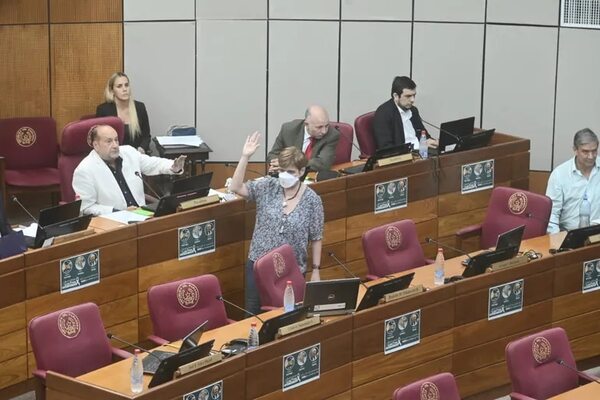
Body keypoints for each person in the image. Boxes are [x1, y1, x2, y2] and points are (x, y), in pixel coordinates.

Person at [230, 132, 324, 315]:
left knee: (288, 315)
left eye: (290, 172)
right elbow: (235, 187)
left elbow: (316, 236)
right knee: (253, 313)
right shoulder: (267, 186)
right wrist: (245, 157)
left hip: (291, 269)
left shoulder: (312, 200)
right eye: (281, 170)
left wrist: (316, 270)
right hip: (258, 263)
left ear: (301, 172)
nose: (284, 175)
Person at [72, 124, 186, 216]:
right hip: (113, 222)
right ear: (96, 145)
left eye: (116, 140)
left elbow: (153, 164)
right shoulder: (84, 170)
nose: (115, 145)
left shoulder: (128, 152)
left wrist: (173, 166)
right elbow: (86, 208)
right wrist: (118, 212)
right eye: (109, 141)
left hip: (143, 216)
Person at [546, 128, 599, 233]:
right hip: (569, 234)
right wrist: (557, 241)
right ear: (575, 149)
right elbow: (552, 214)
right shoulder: (559, 175)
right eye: (585, 152)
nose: (591, 156)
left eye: (594, 151)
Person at [372, 76, 438, 151]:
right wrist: (420, 146)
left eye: (414, 95)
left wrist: (433, 141)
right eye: (408, 96)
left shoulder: (413, 110)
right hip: (403, 157)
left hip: (420, 153)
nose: (412, 100)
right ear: (396, 96)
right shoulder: (383, 113)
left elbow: (423, 135)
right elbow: (387, 148)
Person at [267, 105, 340, 173]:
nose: (324, 131)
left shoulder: (332, 134)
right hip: (287, 175)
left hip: (312, 176)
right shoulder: (288, 129)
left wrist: (290, 165)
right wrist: (282, 165)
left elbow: (322, 164)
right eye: (319, 127)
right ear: (306, 124)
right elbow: (272, 155)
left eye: (327, 126)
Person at [96, 72, 152, 154]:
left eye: (126, 85)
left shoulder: (140, 107)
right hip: (113, 156)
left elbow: (146, 136)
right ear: (112, 90)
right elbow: (100, 139)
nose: (124, 89)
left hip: (137, 155)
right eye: (119, 86)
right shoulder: (104, 110)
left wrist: (140, 151)